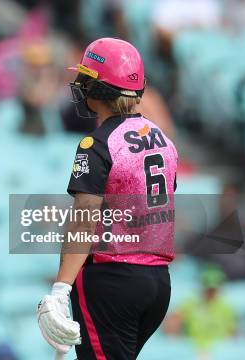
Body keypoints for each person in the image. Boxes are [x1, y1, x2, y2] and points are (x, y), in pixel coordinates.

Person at [37, 38, 178, 359]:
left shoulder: (97, 143)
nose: (80, 85)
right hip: (157, 283)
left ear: (99, 87)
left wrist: (61, 288)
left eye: (86, 78)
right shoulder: (164, 141)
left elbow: (84, 219)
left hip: (112, 281)